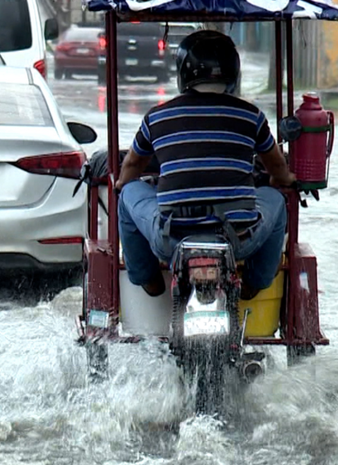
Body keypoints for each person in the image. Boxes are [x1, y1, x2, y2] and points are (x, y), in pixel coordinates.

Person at [114, 30, 295, 300]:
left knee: (128, 193)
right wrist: (282, 179)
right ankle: (255, 284)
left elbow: (131, 166)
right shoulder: (251, 116)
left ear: (183, 72)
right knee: (277, 201)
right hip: (238, 240)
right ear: (233, 71)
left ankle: (148, 279)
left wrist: (120, 184)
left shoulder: (157, 117)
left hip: (171, 238)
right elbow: (277, 170)